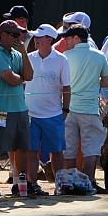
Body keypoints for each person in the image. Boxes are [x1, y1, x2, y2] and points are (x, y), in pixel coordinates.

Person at [0, 20, 32, 200]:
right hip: (2, 110)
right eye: (13, 34)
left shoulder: (17, 54)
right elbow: (11, 79)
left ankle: (20, 184)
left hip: (20, 109)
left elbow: (29, 75)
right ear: (2, 34)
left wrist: (24, 53)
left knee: (22, 148)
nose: (17, 38)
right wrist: (21, 78)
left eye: (18, 35)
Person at [61, 24, 108, 177]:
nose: (66, 41)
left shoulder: (66, 56)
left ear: (77, 38)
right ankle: (89, 181)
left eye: (68, 38)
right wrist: (93, 82)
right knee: (91, 149)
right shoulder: (99, 56)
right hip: (89, 109)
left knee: (69, 149)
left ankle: (69, 182)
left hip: (69, 108)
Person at [24, 24, 69, 184]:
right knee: (31, 151)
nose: (35, 39)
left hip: (54, 114)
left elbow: (66, 87)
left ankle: (60, 184)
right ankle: (31, 184)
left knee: (57, 152)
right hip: (31, 113)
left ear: (49, 39)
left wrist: (65, 109)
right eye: (35, 36)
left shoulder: (62, 60)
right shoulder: (29, 57)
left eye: (39, 36)